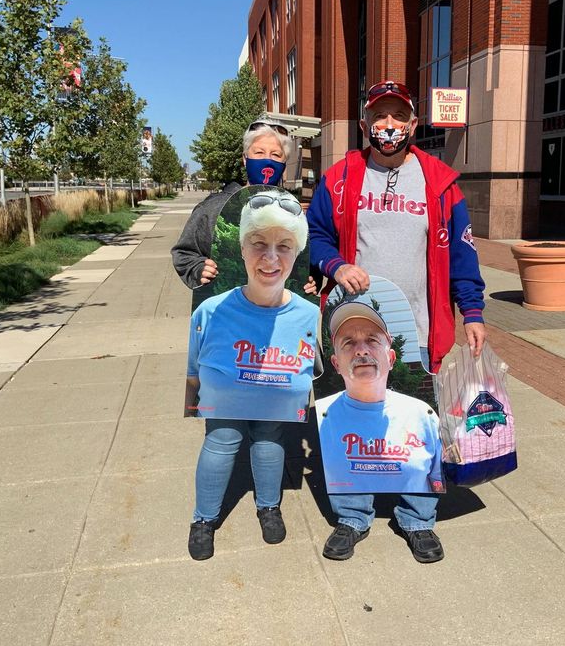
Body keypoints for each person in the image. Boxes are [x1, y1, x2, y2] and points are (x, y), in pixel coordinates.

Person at [307, 80, 486, 373]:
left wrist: (473, 312)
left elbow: (461, 254)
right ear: (364, 127)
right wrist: (336, 266)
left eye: (399, 116)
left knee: (413, 417)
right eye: (379, 116)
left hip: (417, 333)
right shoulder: (338, 179)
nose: (389, 124)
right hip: (354, 333)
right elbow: (313, 234)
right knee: (353, 417)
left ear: (413, 125)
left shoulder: (441, 184)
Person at [185, 190, 318, 561]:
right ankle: (203, 519)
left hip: (273, 403)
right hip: (225, 401)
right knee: (222, 439)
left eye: (285, 246)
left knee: (269, 437)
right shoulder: (212, 310)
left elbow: (318, 368)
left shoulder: (309, 316)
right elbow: (195, 362)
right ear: (242, 248)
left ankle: (269, 506)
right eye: (259, 244)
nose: (271, 258)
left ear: (297, 253)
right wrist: (195, 398)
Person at [317, 300, 445, 563]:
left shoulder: (420, 412)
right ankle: (351, 517)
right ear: (336, 363)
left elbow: (432, 471)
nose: (361, 351)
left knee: (419, 458)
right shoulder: (326, 413)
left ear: (391, 358)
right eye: (348, 343)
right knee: (343, 459)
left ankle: (418, 520)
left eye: (373, 341)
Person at [171, 118, 292, 288]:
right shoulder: (214, 207)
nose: (267, 160)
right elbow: (185, 252)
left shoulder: (292, 212)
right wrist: (199, 270)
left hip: (276, 309)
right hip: (226, 306)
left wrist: (307, 283)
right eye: (259, 153)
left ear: (284, 163)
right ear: (245, 158)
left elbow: (300, 261)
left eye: (276, 154)